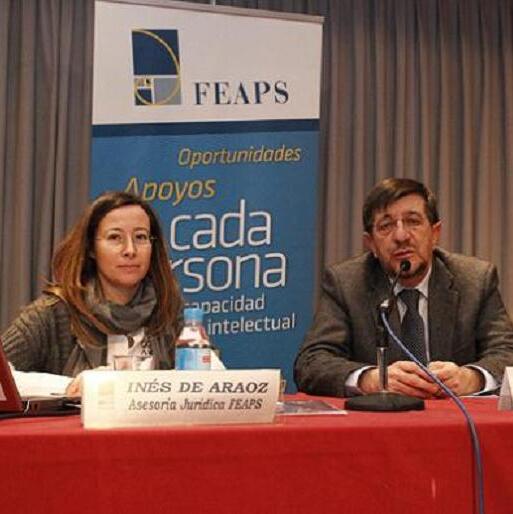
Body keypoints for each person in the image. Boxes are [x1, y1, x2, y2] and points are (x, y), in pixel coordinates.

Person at [294, 178, 513, 399]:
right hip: (381, 419)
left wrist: (472, 378)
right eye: (386, 226)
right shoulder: (346, 283)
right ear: (371, 244)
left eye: (413, 221)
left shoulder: (475, 280)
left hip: (454, 415)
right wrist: (371, 379)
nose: (401, 236)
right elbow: (311, 363)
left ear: (435, 233)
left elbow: (506, 352)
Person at [1, 191, 183, 395]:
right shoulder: (53, 313)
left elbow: (202, 379)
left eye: (140, 237)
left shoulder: (168, 309)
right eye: (115, 237)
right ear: (91, 249)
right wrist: (69, 386)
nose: (130, 250)